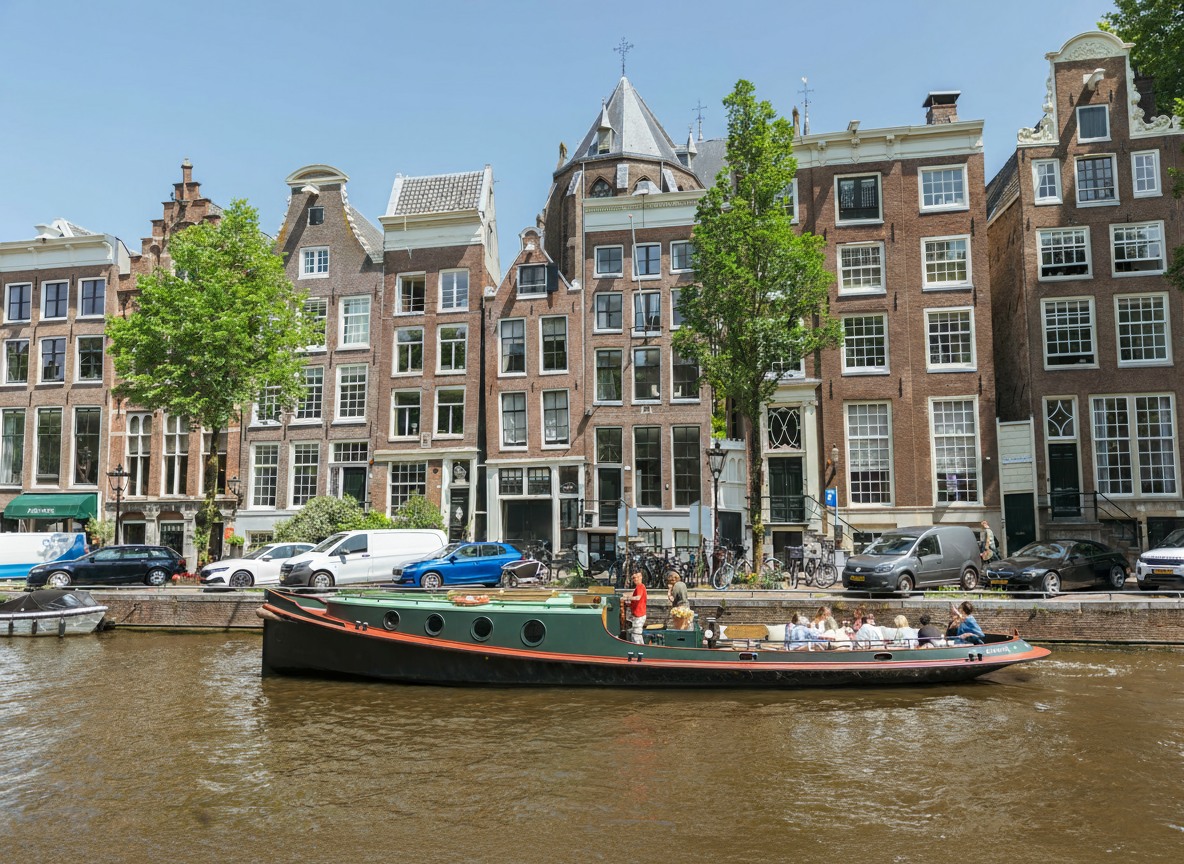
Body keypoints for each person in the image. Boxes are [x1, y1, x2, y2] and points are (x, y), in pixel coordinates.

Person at [624, 570, 647, 645]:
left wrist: (627, 598)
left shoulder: (640, 586)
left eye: (636, 577)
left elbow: (638, 598)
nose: (635, 579)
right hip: (637, 614)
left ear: (641, 577)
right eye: (633, 578)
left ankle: (639, 649)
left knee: (636, 634)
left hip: (639, 614)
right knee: (635, 633)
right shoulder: (639, 587)